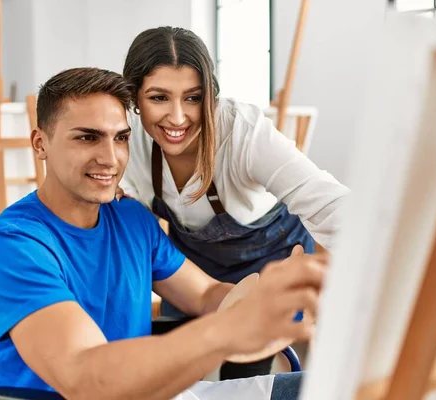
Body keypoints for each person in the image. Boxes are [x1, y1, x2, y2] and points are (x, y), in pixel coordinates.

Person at [0, 67, 327, 400]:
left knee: (335, 387)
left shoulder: (130, 219)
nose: (110, 158)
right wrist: (228, 330)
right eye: (87, 138)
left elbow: (205, 293)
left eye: (121, 138)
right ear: (40, 144)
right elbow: (84, 379)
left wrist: (267, 299)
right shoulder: (14, 247)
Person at [119, 26, 349, 380]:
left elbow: (329, 204)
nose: (177, 117)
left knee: (256, 378)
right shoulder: (128, 140)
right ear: (135, 97)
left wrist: (369, 272)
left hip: (271, 264)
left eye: (193, 98)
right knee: (179, 375)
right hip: (192, 274)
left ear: (210, 95)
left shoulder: (243, 132)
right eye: (159, 98)